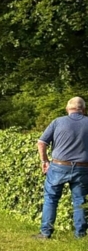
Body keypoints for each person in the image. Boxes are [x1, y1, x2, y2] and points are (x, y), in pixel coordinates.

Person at [36, 97, 88, 240]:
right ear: (83, 109)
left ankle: (46, 232)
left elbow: (41, 142)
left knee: (51, 198)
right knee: (80, 201)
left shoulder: (58, 122)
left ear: (67, 109)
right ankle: (80, 235)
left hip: (58, 165)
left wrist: (44, 161)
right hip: (83, 168)